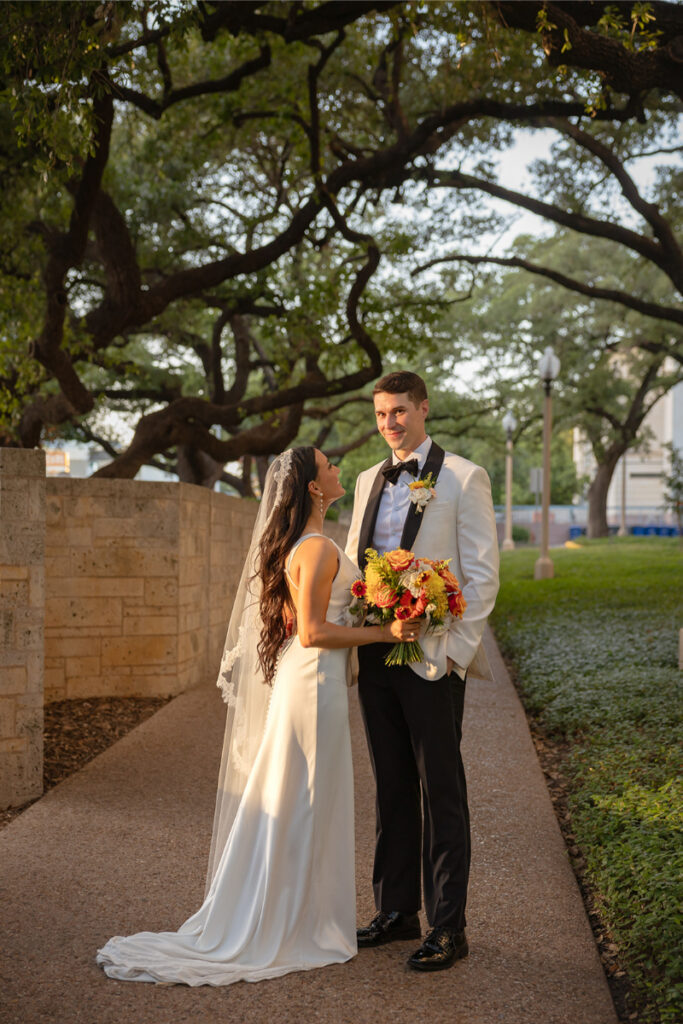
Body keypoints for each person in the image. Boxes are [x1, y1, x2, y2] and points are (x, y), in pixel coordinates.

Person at [96, 446, 417, 986]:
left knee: (302, 795)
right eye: (328, 465)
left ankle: (301, 911)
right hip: (313, 683)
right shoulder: (314, 549)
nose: (338, 469)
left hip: (315, 680)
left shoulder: (311, 543)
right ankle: (292, 921)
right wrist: (388, 631)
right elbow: (313, 633)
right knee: (306, 797)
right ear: (314, 487)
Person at [345, 371, 500, 972]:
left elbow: (483, 577)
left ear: (424, 409)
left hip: (435, 659)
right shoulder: (365, 480)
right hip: (376, 651)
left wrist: (455, 657)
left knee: (441, 790)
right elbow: (358, 567)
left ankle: (448, 926)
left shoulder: (463, 477)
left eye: (401, 411)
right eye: (382, 414)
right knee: (389, 783)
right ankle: (396, 910)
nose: (391, 424)